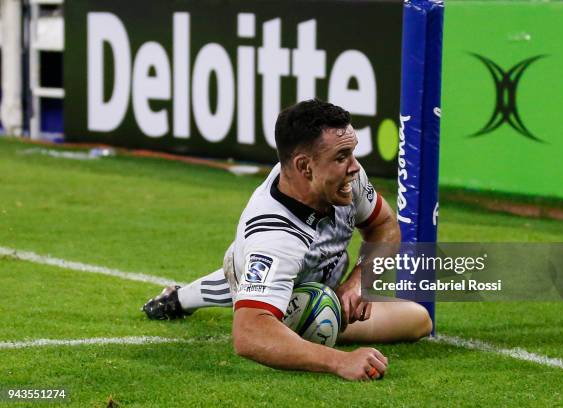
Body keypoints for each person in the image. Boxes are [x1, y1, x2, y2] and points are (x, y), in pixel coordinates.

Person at [142, 99, 432, 381]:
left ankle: (180, 298)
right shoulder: (272, 236)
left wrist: (359, 280)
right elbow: (248, 335)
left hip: (318, 277)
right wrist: (340, 361)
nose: (354, 167)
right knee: (274, 304)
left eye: (352, 153)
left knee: (420, 319)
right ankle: (179, 299)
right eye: (342, 157)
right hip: (283, 288)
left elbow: (385, 226)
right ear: (305, 167)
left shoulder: (344, 178)